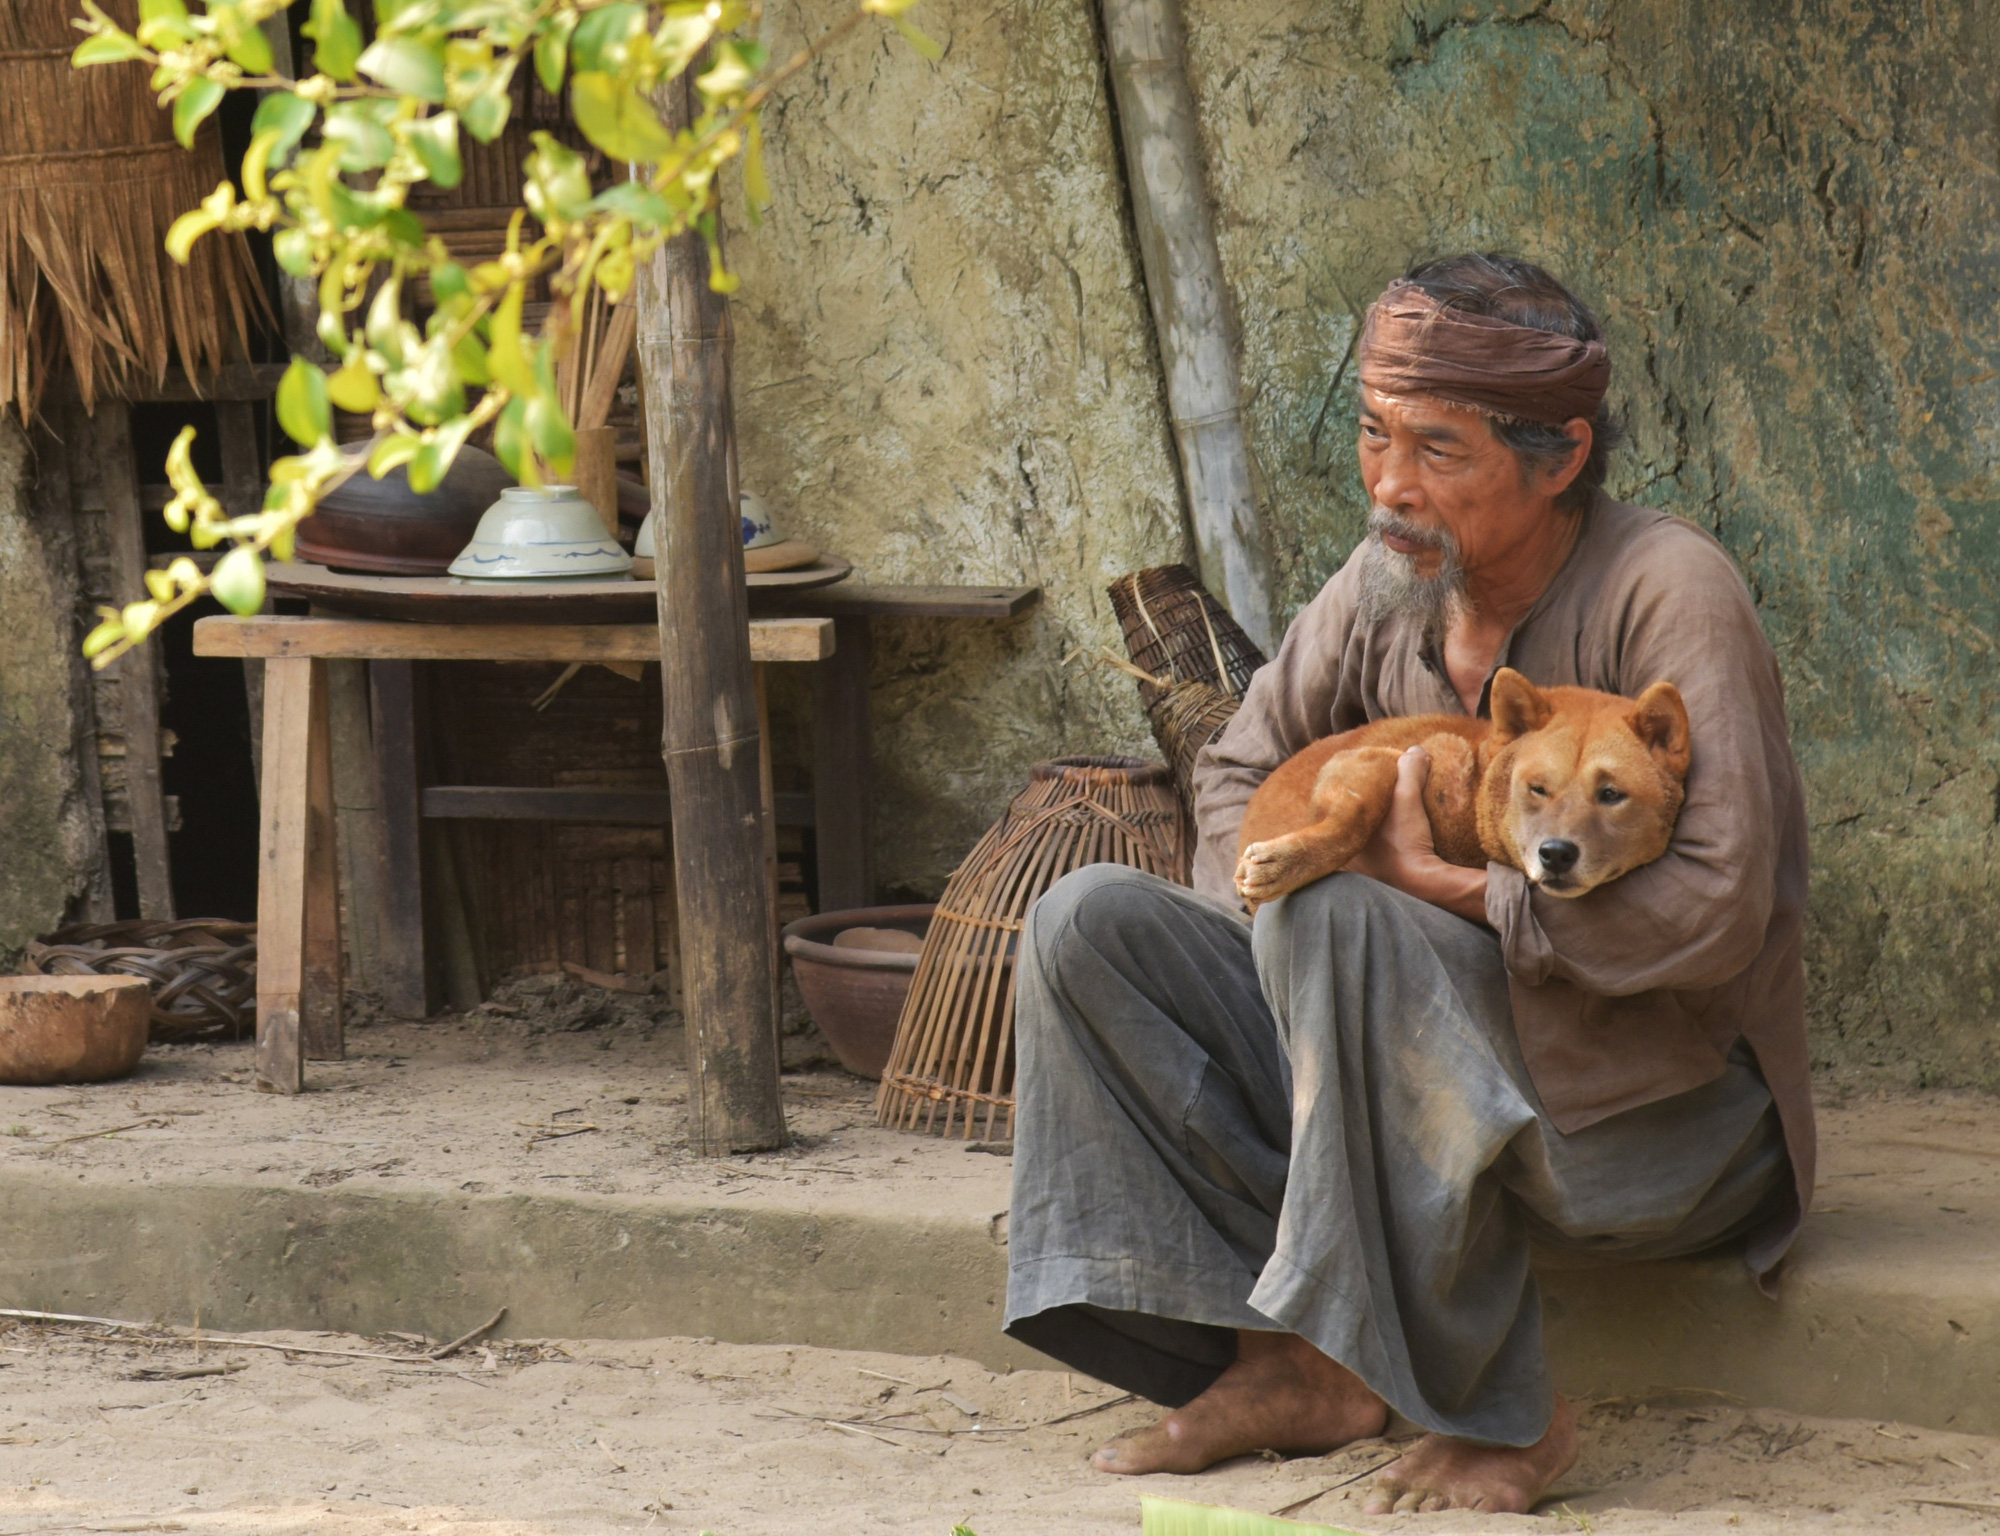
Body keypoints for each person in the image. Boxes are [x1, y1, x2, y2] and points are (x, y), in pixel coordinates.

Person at [1002, 253, 1813, 1515]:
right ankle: (1286, 1360)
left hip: (1648, 1127)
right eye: (1375, 437)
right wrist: (1274, 925)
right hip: (1399, 1080)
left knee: (1349, 914)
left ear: (1556, 459)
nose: (1390, 484)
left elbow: (1715, 907)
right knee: (1085, 925)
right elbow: (1234, 770)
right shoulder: (1387, 577)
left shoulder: (1669, 592)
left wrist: (1439, 888)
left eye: (1437, 449)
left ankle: (1497, 1407)